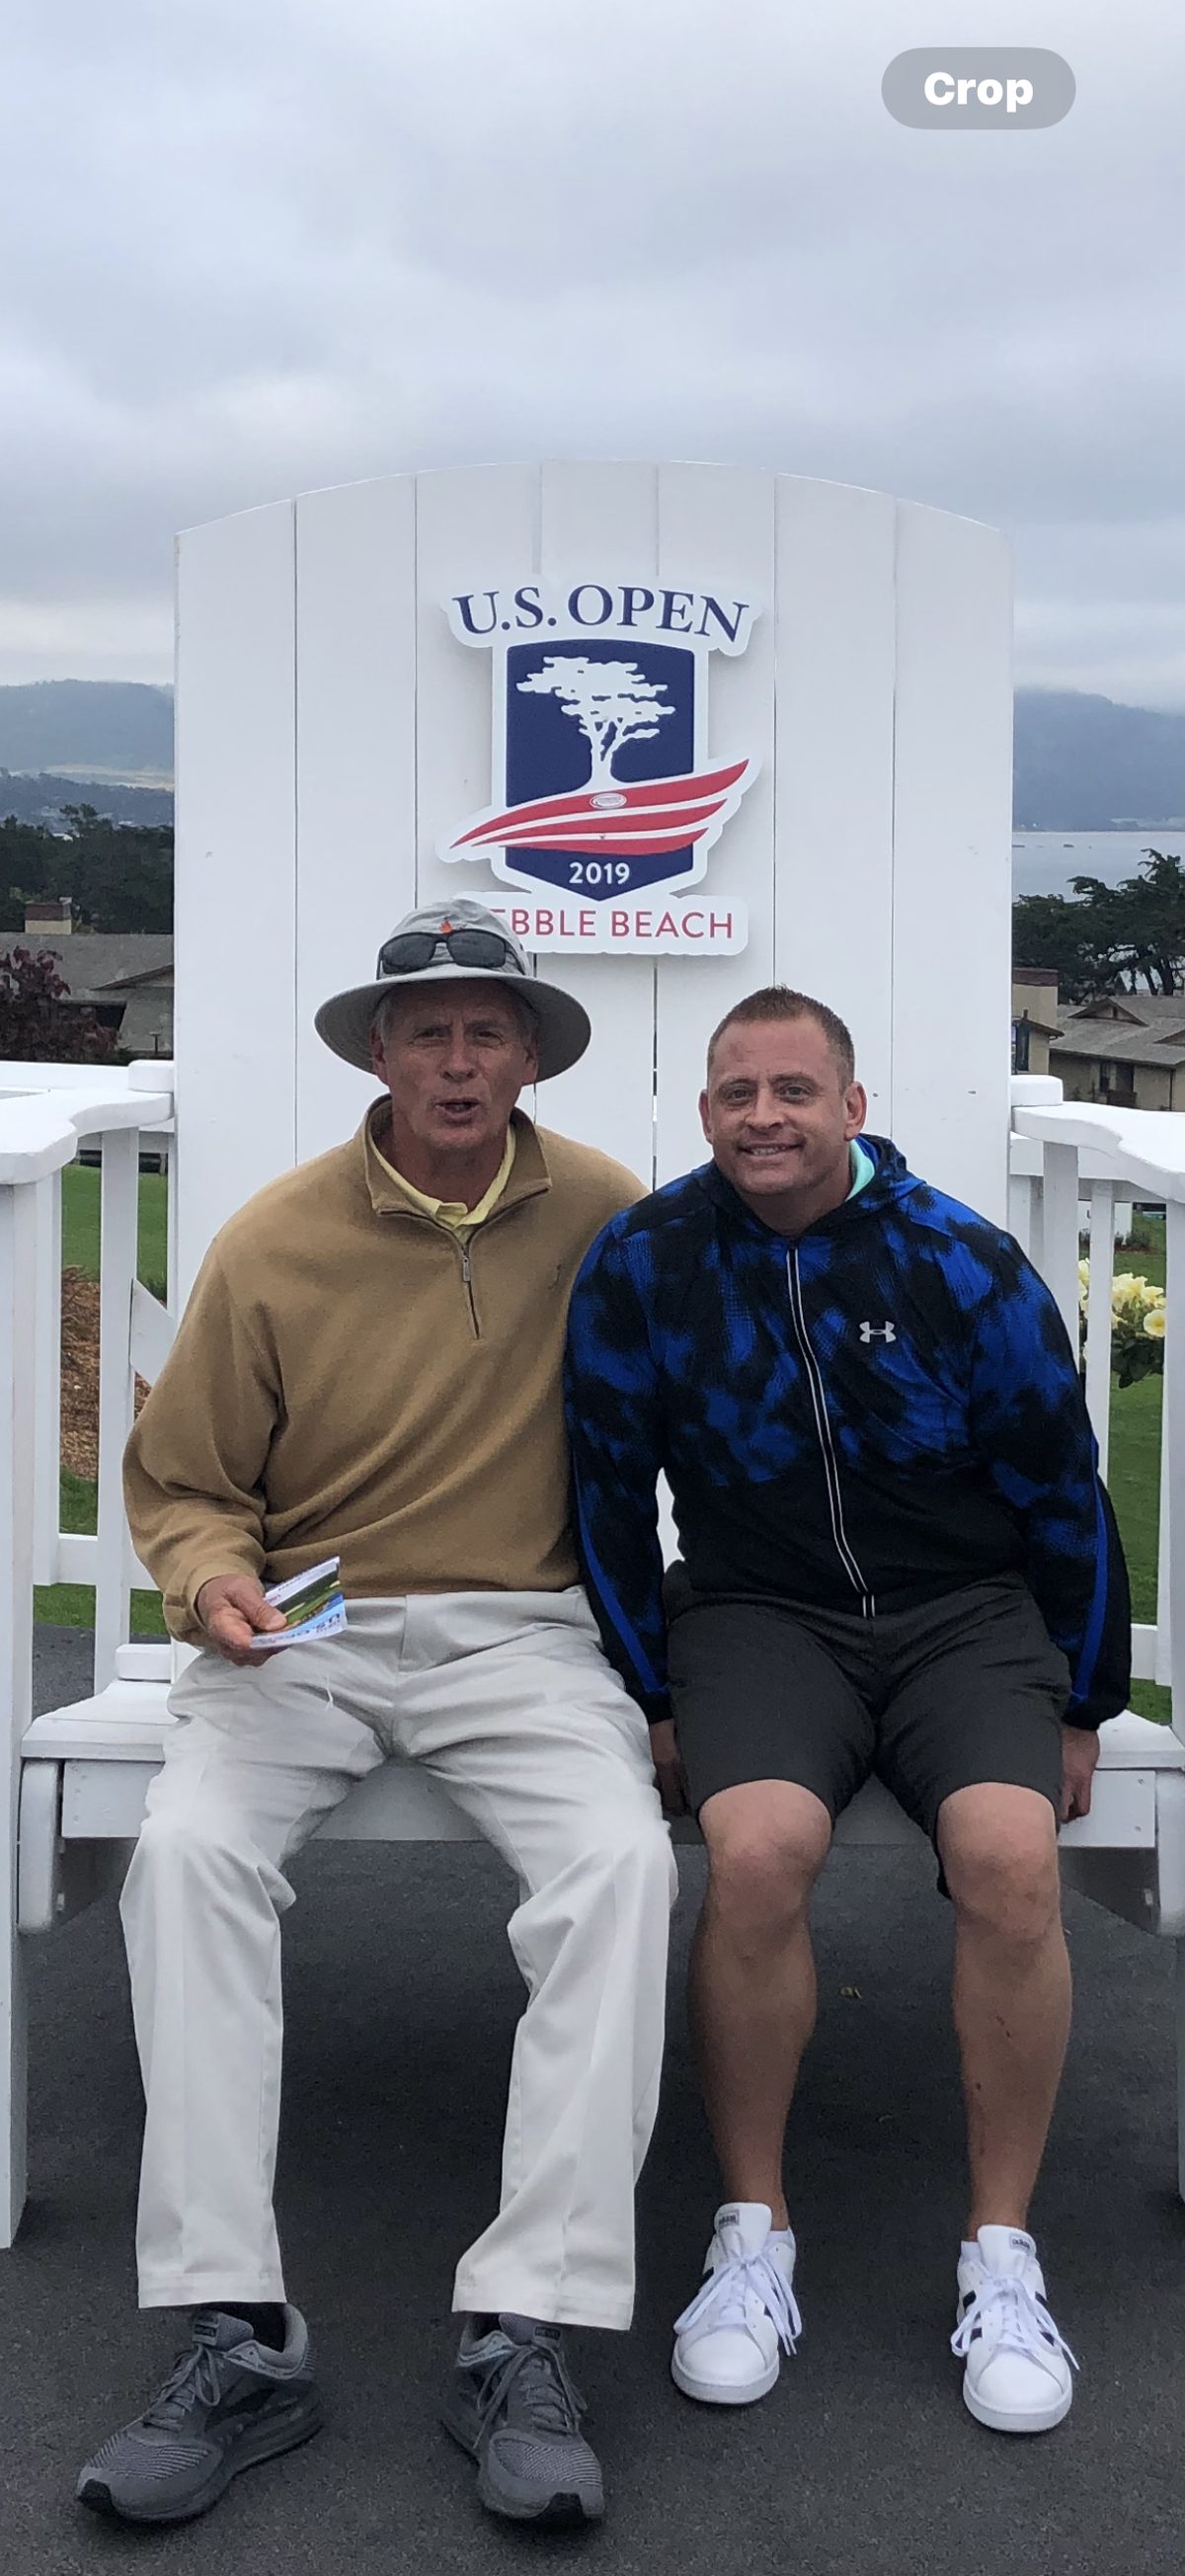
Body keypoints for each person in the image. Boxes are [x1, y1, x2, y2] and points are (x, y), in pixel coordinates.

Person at [76, 901, 674, 2532]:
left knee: (621, 1871)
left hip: (525, 1633)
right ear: (381, 1055)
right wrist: (212, 1586)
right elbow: (189, 1480)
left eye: (492, 1031)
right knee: (187, 1857)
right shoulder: (274, 1238)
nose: (461, 1060)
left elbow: (728, 1379)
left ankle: (524, 2325)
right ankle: (237, 2330)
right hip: (309, 1629)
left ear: (532, 1056)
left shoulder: (612, 1218)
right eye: (430, 1033)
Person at [564, 985, 1130, 2436]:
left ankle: (1000, 2251)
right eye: (737, 1092)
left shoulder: (961, 1260)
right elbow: (608, 1492)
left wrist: (1080, 1699)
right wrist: (651, 1688)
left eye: (796, 1090)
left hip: (969, 1614)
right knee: (755, 1854)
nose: (767, 1116)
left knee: (1010, 1862)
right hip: (760, 1615)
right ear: (704, 1114)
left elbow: (1064, 1481)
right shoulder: (647, 1259)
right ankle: (753, 2234)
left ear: (853, 1107)